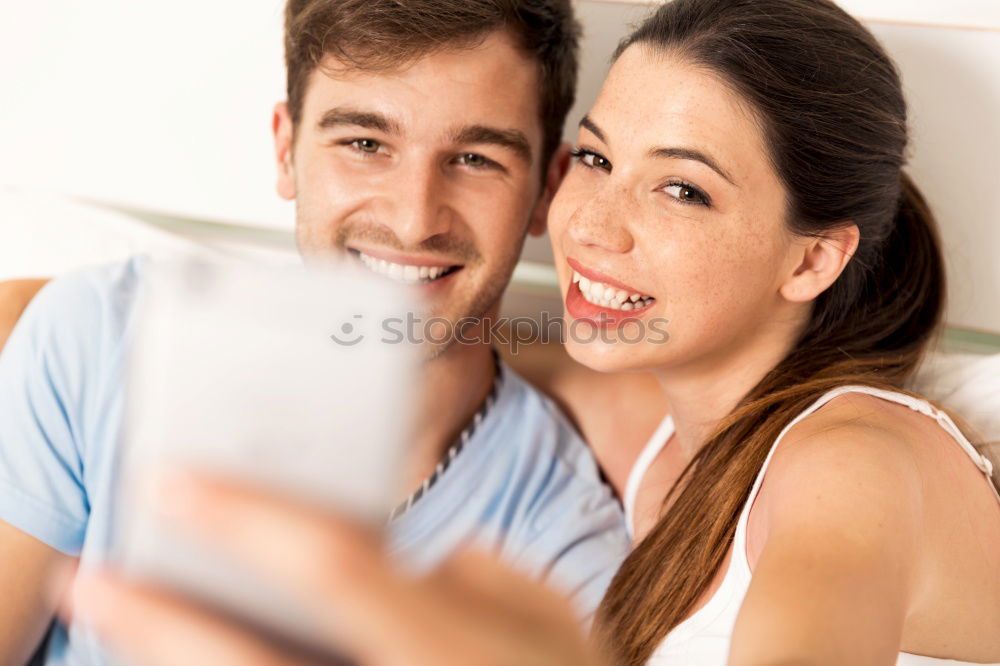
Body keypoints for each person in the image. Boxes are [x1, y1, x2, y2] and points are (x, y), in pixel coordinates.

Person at [62, 0, 1000, 664]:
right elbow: (431, 318)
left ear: (811, 260)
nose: (591, 224)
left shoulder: (851, 462)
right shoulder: (642, 419)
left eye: (681, 187)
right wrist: (43, 310)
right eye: (595, 156)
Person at [0, 1, 633, 664]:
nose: (415, 219)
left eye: (474, 158)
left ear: (546, 190)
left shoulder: (564, 558)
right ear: (285, 147)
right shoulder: (95, 339)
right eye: (365, 144)